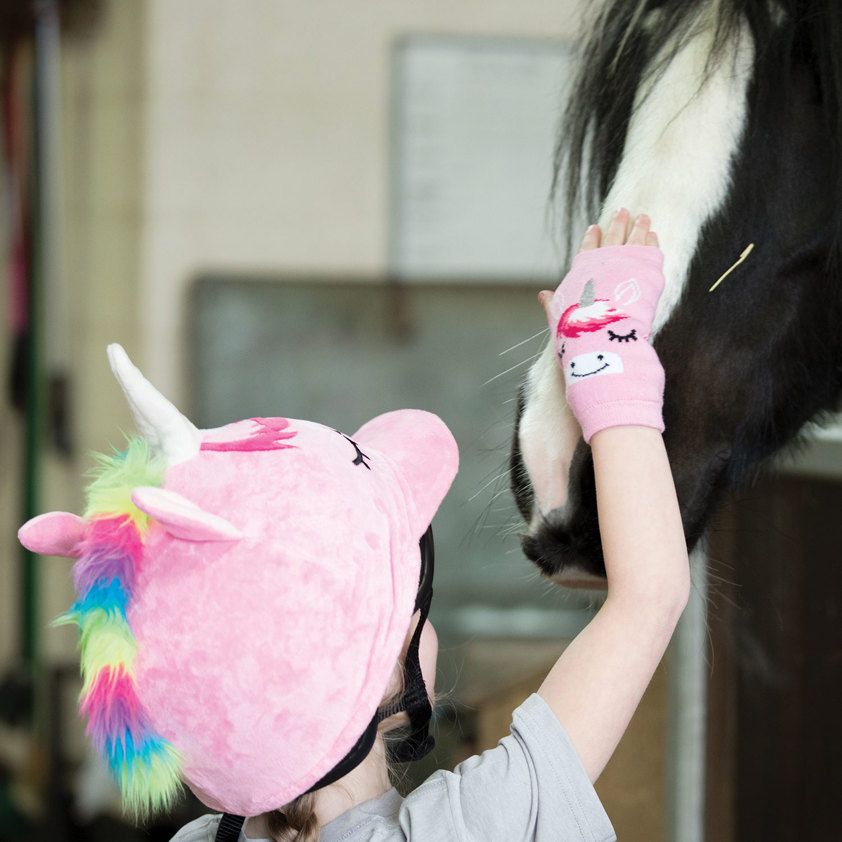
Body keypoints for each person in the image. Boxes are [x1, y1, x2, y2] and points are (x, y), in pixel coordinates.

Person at [18, 209, 689, 841]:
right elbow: (650, 597)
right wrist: (607, 354)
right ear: (381, 657)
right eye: (412, 597)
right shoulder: (469, 826)